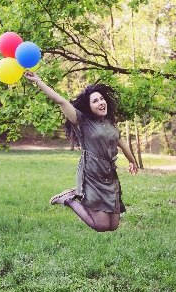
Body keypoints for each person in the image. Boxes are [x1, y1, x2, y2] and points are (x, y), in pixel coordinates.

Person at [24, 71, 138, 232]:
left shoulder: (110, 123)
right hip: (91, 172)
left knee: (113, 225)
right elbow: (60, 100)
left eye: (102, 99)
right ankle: (68, 200)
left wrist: (132, 161)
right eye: (95, 101)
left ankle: (75, 196)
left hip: (110, 173)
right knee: (101, 225)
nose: (101, 102)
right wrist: (38, 81)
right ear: (89, 106)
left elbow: (123, 144)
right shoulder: (82, 121)